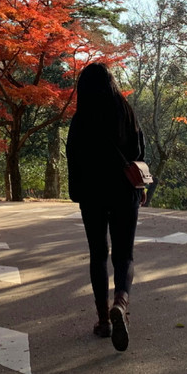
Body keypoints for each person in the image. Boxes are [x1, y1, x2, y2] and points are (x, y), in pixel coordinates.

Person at [65, 62, 146, 352]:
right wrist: (139, 186)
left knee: (98, 254)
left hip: (92, 195)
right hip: (124, 192)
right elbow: (138, 151)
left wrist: (77, 194)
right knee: (124, 255)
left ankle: (102, 321)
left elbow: (72, 157)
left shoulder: (81, 119)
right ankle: (121, 304)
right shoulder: (126, 111)